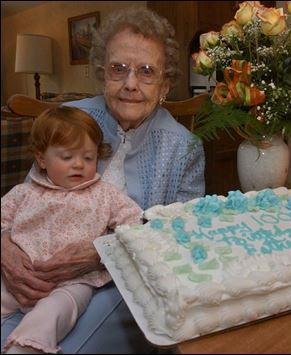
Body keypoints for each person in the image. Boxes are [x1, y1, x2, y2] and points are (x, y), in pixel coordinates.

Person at [1, 6, 205, 354]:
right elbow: (25, 197)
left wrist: (101, 253)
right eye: (118, 69)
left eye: (146, 72)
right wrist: (7, 253)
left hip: (121, 279)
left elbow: (179, 239)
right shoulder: (68, 119)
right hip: (35, 265)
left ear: (165, 84)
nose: (130, 84)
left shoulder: (184, 148)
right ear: (101, 73)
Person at [1, 106, 142, 354]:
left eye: (88, 158)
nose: (78, 165)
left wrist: (106, 247)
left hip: (74, 282)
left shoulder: (105, 194)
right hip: (18, 278)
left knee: (55, 311)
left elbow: (136, 224)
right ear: (42, 158)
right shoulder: (24, 193)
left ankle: (26, 347)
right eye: (67, 157)